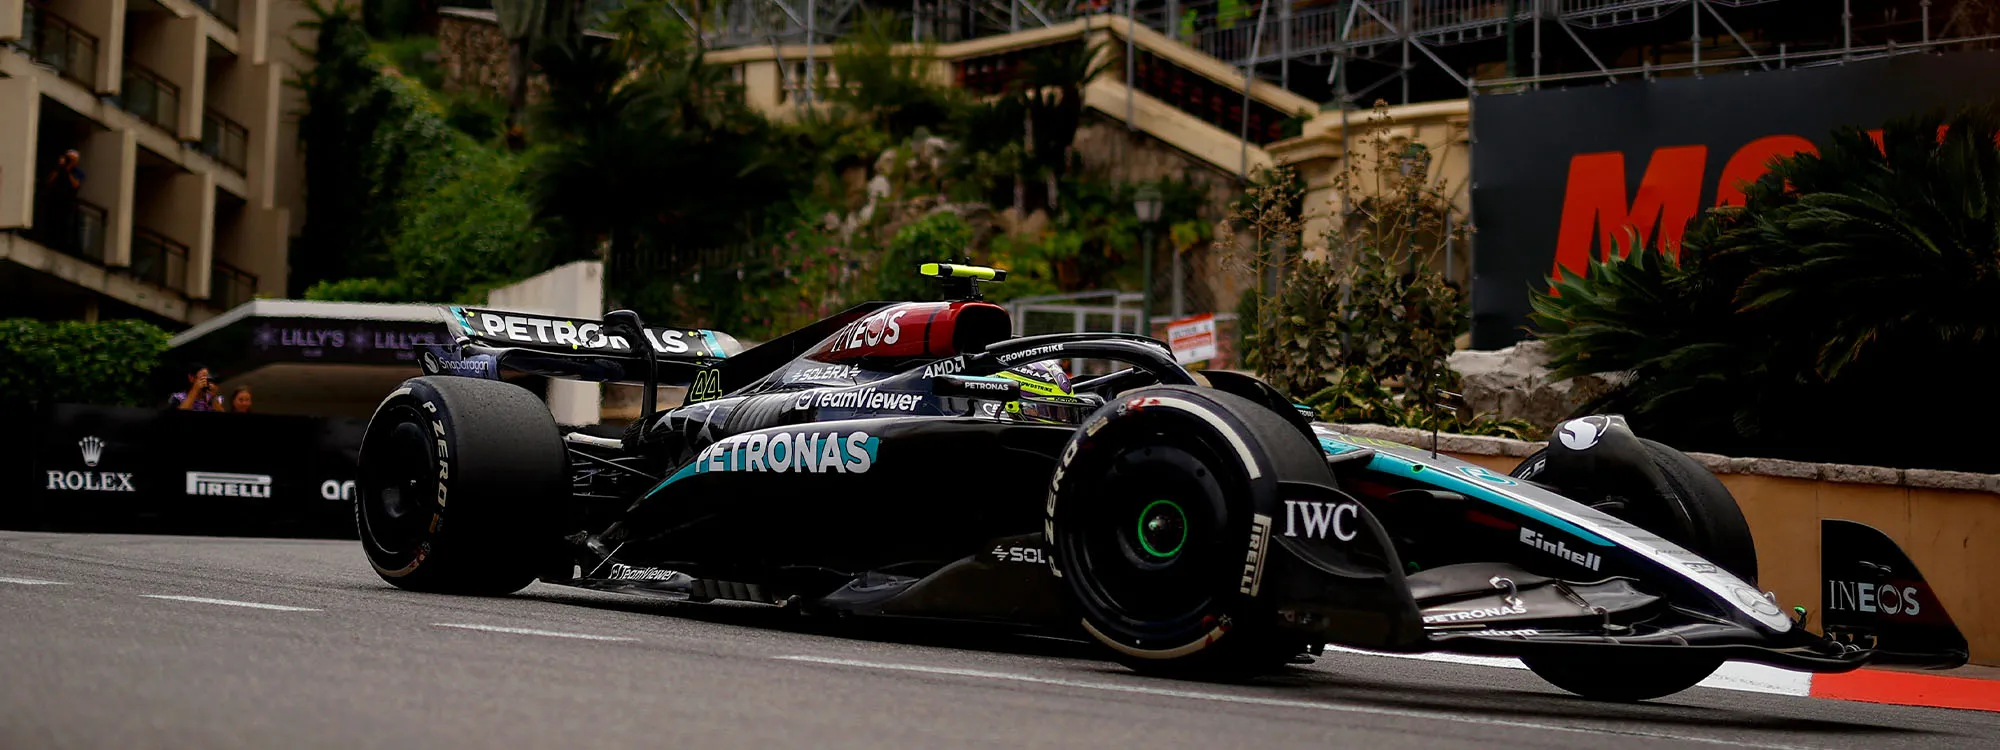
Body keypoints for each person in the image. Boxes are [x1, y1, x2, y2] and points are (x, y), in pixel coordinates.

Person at [41, 150, 85, 254]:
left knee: (66, 225)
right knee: (52, 222)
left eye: (72, 159)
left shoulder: (77, 172)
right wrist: (61, 168)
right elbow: (50, 180)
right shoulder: (58, 169)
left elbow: (75, 185)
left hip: (68, 203)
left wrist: (68, 171)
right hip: (55, 201)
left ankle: (66, 246)